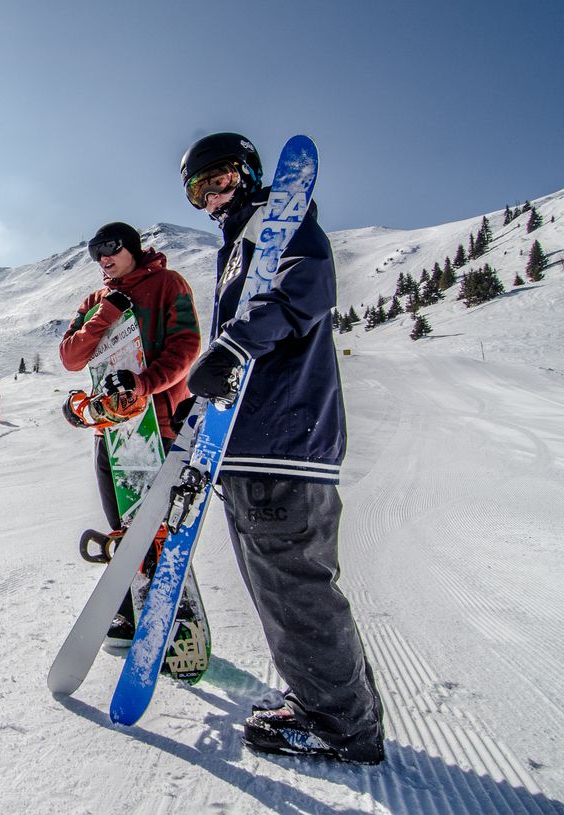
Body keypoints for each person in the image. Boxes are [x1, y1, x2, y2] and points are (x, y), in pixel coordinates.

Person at [179, 132, 384, 764]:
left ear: (248, 172)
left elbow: (305, 291)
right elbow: (244, 342)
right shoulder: (239, 246)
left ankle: (341, 727)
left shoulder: (280, 226)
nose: (212, 198)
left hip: (284, 442)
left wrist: (234, 346)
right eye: (198, 192)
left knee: (296, 591)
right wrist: (203, 405)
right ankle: (335, 703)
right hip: (255, 445)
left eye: (220, 180)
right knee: (281, 590)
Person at [59, 221, 200, 645]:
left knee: (156, 523)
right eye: (95, 251)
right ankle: (130, 608)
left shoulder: (168, 284)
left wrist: (143, 384)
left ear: (133, 247)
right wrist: (108, 312)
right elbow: (71, 357)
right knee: (122, 524)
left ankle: (173, 606)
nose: (103, 257)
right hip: (112, 430)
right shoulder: (95, 301)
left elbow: (186, 346)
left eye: (111, 246)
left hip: (158, 423)